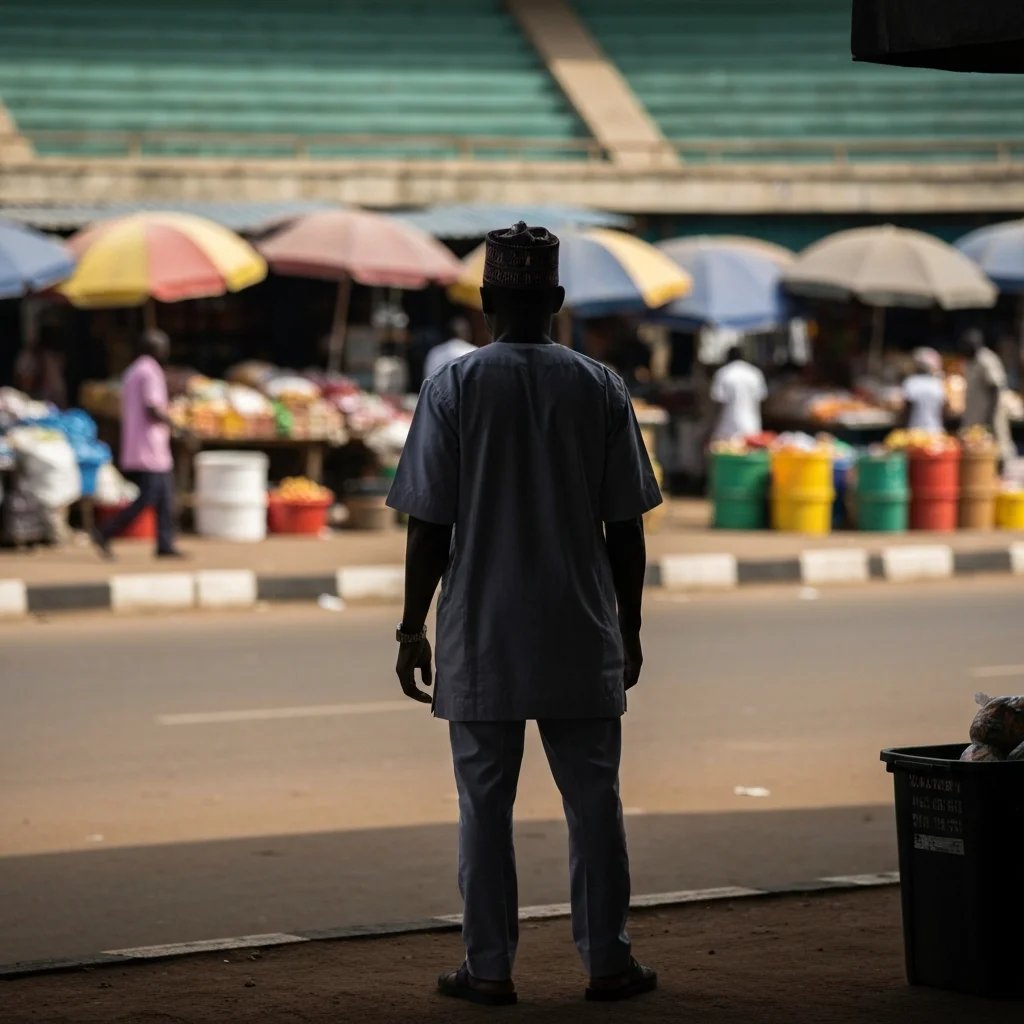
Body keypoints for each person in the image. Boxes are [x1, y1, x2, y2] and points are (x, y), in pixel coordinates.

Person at [386, 223, 662, 1006]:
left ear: (485, 301)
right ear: (559, 302)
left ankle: (489, 967)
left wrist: (412, 626)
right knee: (595, 806)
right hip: (581, 630)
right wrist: (630, 628)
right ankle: (607, 962)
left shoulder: (455, 387)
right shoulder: (600, 386)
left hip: (483, 633)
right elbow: (627, 527)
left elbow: (427, 525)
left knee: (483, 809)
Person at [92, 329, 183, 560]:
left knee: (165, 497)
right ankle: (105, 531)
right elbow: (152, 407)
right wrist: (177, 426)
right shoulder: (149, 371)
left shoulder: (134, 370)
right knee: (149, 497)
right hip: (149, 446)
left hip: (147, 445)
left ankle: (165, 544)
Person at [962, 328, 1015, 460]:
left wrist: (991, 414)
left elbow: (996, 387)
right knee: (976, 442)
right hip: (977, 409)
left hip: (991, 408)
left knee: (998, 440)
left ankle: (1002, 466)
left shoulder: (986, 360)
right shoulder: (971, 360)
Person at [708, 345, 767, 441]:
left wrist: (711, 426)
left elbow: (717, 402)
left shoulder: (723, 373)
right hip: (752, 425)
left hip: (728, 428)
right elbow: (762, 399)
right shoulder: (755, 373)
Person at [902, 347, 946, 433]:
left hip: (915, 431)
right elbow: (943, 410)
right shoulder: (937, 383)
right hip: (936, 431)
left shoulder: (911, 382)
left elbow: (907, 409)